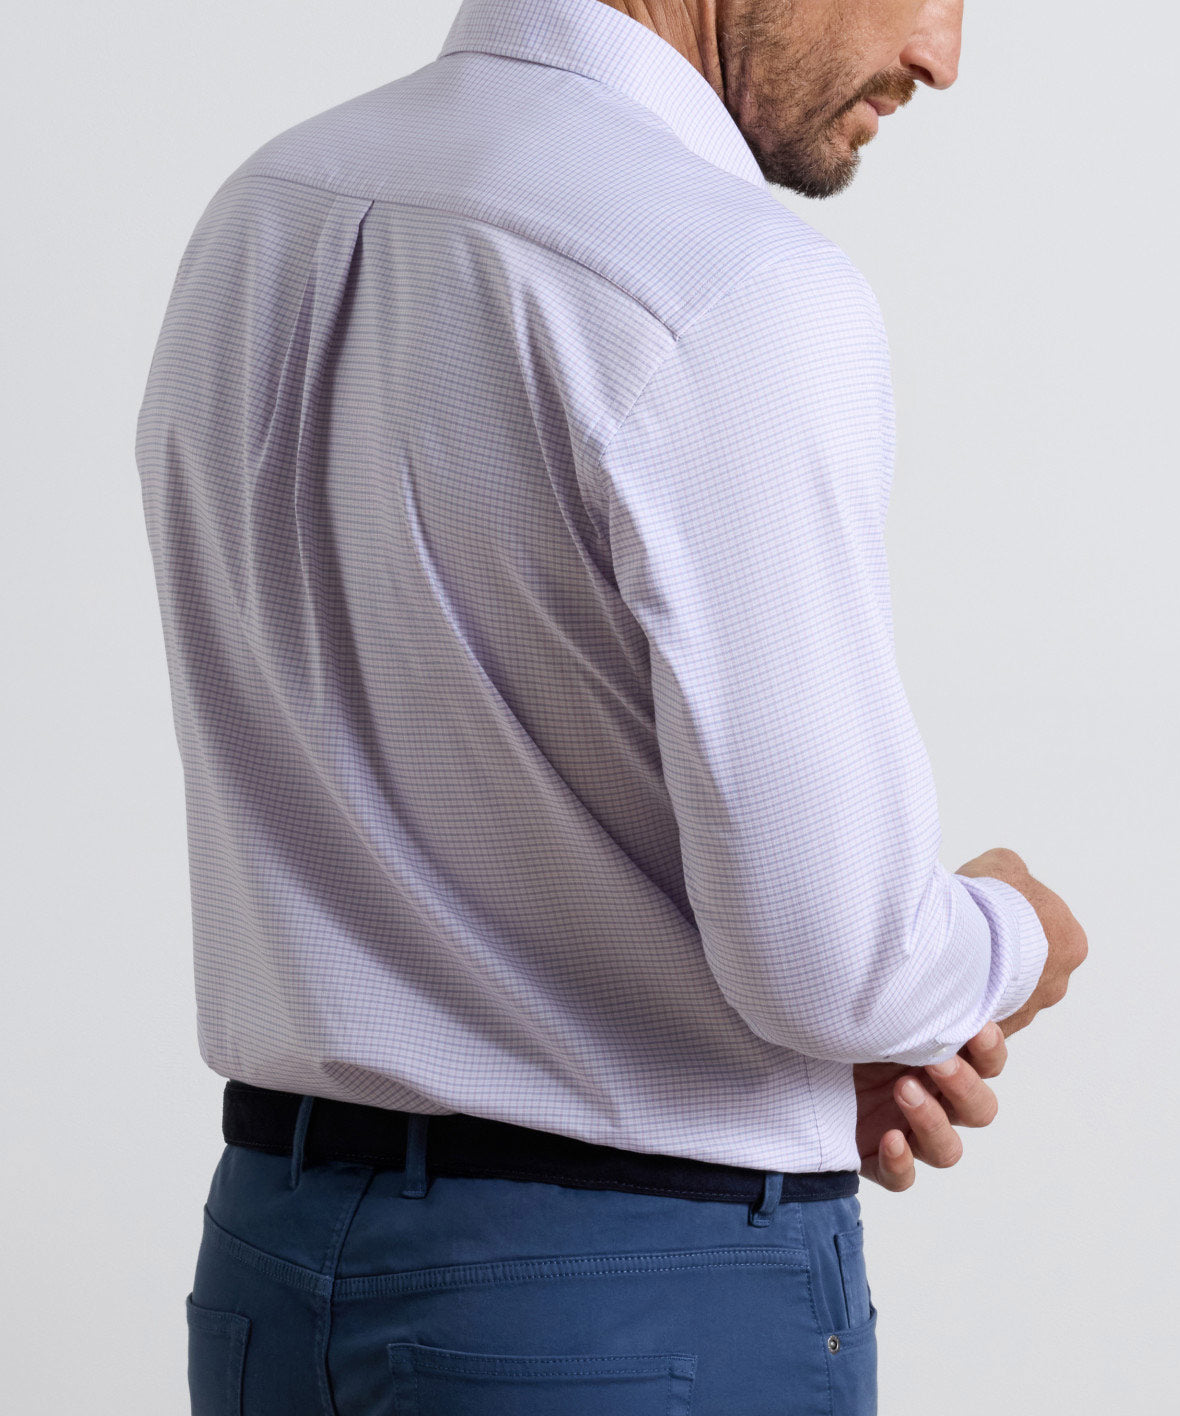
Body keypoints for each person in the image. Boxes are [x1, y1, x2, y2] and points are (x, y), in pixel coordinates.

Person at [135, 1, 1088, 1412]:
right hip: (633, 1305)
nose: (941, 55)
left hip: (277, 1271)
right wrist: (1014, 938)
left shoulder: (266, 212)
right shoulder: (725, 284)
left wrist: (779, 1073)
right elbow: (840, 967)